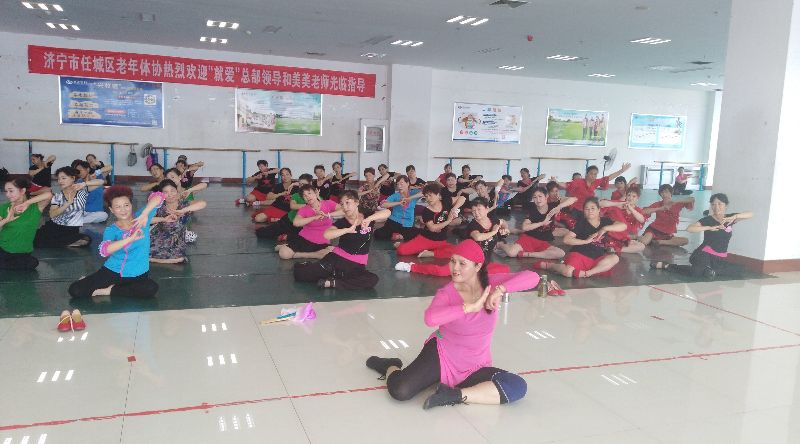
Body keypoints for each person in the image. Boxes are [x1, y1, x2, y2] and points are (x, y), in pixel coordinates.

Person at [366, 240, 537, 409]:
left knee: (517, 386)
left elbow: (533, 277)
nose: (455, 268)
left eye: (462, 263)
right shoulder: (447, 292)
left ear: (477, 266)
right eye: (453, 261)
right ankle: (390, 366)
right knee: (400, 390)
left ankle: (453, 395)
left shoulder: (490, 285)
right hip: (442, 355)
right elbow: (430, 319)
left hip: (476, 364)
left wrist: (500, 290)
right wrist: (467, 307)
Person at [68, 186, 165, 299]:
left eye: (126, 205)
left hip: (139, 274)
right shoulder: (111, 230)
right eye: (118, 207)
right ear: (111, 210)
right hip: (114, 271)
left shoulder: (141, 218)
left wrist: (145, 213)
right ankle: (107, 286)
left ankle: (107, 291)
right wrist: (130, 239)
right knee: (75, 290)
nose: (123, 210)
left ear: (131, 205)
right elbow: (105, 250)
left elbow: (159, 196)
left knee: (151, 288)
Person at [293, 190, 390, 289]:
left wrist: (369, 219)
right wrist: (346, 230)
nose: (345, 207)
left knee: (372, 279)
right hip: (336, 260)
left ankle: (333, 283)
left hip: (357, 265)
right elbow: (327, 234)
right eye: (342, 204)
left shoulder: (368, 216)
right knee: (300, 275)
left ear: (356, 202)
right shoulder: (342, 223)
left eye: (348, 202)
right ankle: (309, 266)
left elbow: (387, 212)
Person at [396, 198, 511, 277]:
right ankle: (411, 267)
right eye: (474, 210)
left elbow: (502, 222)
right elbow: (478, 237)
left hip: (483, 263)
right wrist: (495, 232)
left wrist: (505, 230)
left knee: (505, 269)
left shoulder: (494, 220)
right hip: (466, 259)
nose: (476, 213)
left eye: (479, 209)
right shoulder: (473, 225)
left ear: (487, 209)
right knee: (441, 272)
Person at [652, 193, 753, 279]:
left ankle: (712, 271)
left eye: (720, 204)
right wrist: (708, 227)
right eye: (713, 204)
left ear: (726, 205)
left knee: (741, 270)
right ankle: (667, 266)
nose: (716, 207)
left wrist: (736, 216)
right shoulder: (707, 220)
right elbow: (690, 228)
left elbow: (750, 214)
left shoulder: (730, 218)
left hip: (719, 257)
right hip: (703, 254)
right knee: (696, 272)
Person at [533, 198, 626, 278]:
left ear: (598, 210)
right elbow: (566, 239)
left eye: (593, 208)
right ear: (584, 212)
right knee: (568, 272)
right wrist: (585, 241)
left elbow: (623, 226)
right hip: (579, 254)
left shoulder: (606, 221)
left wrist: (604, 229)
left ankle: (588, 273)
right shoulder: (582, 223)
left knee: (615, 258)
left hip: (597, 258)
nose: (590, 211)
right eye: (587, 209)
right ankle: (550, 266)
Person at [34, 166, 103, 248]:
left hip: (72, 230)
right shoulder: (58, 195)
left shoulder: (82, 191)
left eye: (63, 178)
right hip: (55, 227)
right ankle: (58, 243)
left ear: (73, 178)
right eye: (58, 179)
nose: (60, 181)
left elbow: (101, 182)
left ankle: (58, 243)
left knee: (86, 239)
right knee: (36, 239)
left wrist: (84, 183)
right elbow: (52, 214)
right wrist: (67, 204)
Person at [498, 188, 575, 259]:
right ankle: (500, 244)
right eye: (535, 197)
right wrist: (542, 223)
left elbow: (573, 199)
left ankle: (526, 254)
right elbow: (525, 227)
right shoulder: (532, 210)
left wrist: (559, 207)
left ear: (546, 196)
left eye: (540, 196)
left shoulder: (553, 206)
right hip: (528, 238)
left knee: (560, 253)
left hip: (543, 241)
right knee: (511, 253)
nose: (538, 200)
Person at [395, 182, 466, 257]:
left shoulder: (446, 202)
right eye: (426, 196)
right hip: (427, 239)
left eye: (430, 195)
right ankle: (402, 245)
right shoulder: (426, 211)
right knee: (401, 251)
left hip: (441, 241)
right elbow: (433, 228)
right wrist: (448, 221)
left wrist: (454, 209)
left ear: (438, 195)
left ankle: (430, 253)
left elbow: (462, 198)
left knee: (459, 252)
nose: (428, 198)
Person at [276, 184, 342, 260]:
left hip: (323, 241)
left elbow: (343, 210)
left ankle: (297, 253)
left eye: (309, 193)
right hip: (304, 239)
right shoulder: (304, 209)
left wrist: (328, 215)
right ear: (303, 199)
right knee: (283, 253)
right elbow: (296, 223)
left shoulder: (328, 203)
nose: (308, 197)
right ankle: (315, 254)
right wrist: (314, 217)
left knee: (333, 254)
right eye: (305, 196)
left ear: (315, 193)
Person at [149, 179, 207, 264]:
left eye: (172, 190)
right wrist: (163, 219)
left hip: (177, 237)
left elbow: (203, 203)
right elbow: (148, 220)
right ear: (161, 195)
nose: (170, 194)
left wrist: (184, 210)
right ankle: (152, 259)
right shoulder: (160, 206)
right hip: (160, 234)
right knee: (145, 249)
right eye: (166, 192)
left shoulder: (183, 203)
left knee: (178, 257)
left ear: (177, 191)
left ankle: (152, 259)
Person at [0, 177, 52, 270]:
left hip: (23, 252)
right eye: (6, 191)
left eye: (11, 191)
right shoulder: (4, 208)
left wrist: (26, 203)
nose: (7, 194)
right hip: (3, 249)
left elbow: (49, 194)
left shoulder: (36, 207)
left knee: (33, 263)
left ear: (23, 191)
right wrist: (7, 220)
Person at [255, 174, 313, 240]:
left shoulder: (316, 196)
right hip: (288, 221)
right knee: (262, 233)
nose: (301, 187)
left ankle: (287, 235)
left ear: (310, 183)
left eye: (304, 184)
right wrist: (309, 205)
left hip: (300, 225)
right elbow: (292, 206)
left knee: (304, 236)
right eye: (300, 184)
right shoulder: (296, 195)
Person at [600, 186, 648, 253]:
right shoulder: (618, 205)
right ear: (626, 196)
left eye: (634, 196)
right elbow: (601, 203)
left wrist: (631, 209)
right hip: (614, 235)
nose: (630, 198)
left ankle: (613, 249)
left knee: (641, 246)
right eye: (629, 195)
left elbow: (642, 220)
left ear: (637, 198)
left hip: (626, 237)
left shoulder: (638, 210)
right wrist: (619, 203)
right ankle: (612, 246)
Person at [375, 175, 423, 241]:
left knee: (421, 233)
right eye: (397, 184)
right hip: (393, 221)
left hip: (407, 224)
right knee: (377, 234)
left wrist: (409, 198)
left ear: (407, 183)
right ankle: (398, 235)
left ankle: (400, 236)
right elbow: (383, 205)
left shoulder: (414, 193)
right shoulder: (395, 195)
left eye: (401, 183)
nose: (399, 186)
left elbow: (424, 192)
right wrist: (399, 203)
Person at [566, 163, 631, 211]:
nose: (593, 176)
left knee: (603, 203)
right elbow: (566, 188)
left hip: (591, 207)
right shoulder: (578, 182)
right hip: (578, 208)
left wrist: (621, 171)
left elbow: (608, 178)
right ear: (587, 174)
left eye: (595, 174)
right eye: (591, 173)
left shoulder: (595, 182)